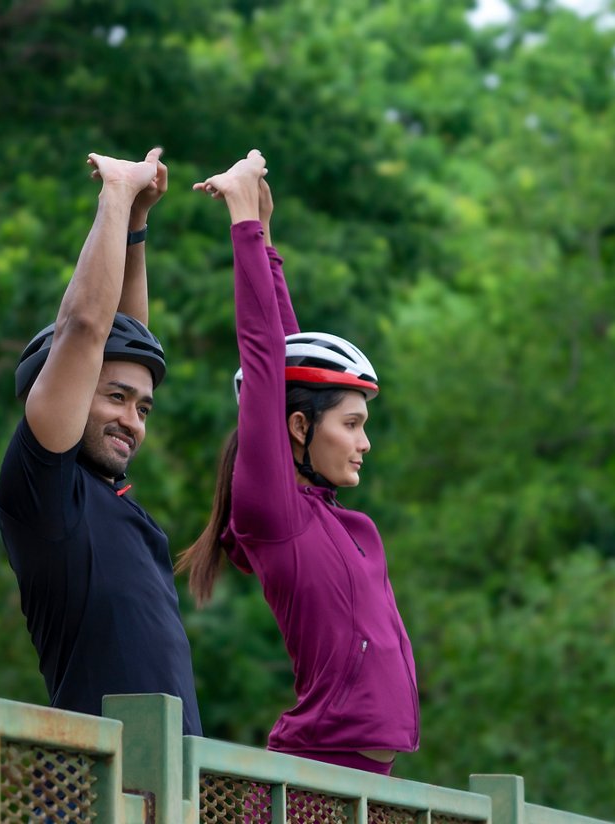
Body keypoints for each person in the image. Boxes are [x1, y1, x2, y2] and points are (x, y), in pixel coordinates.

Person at [179, 150, 418, 774]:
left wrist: (268, 235)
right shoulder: (273, 512)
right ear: (297, 428)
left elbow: (286, 354)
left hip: (373, 783)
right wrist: (242, 222)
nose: (365, 443)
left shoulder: (340, 522)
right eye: (353, 425)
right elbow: (264, 355)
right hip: (316, 782)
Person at [0, 148, 202, 736]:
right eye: (115, 400)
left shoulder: (115, 498)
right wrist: (115, 192)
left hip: (168, 785)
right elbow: (87, 330)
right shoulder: (46, 495)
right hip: (91, 790)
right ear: (62, 389)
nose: (133, 420)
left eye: (142, 408)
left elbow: (128, 339)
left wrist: (136, 226)